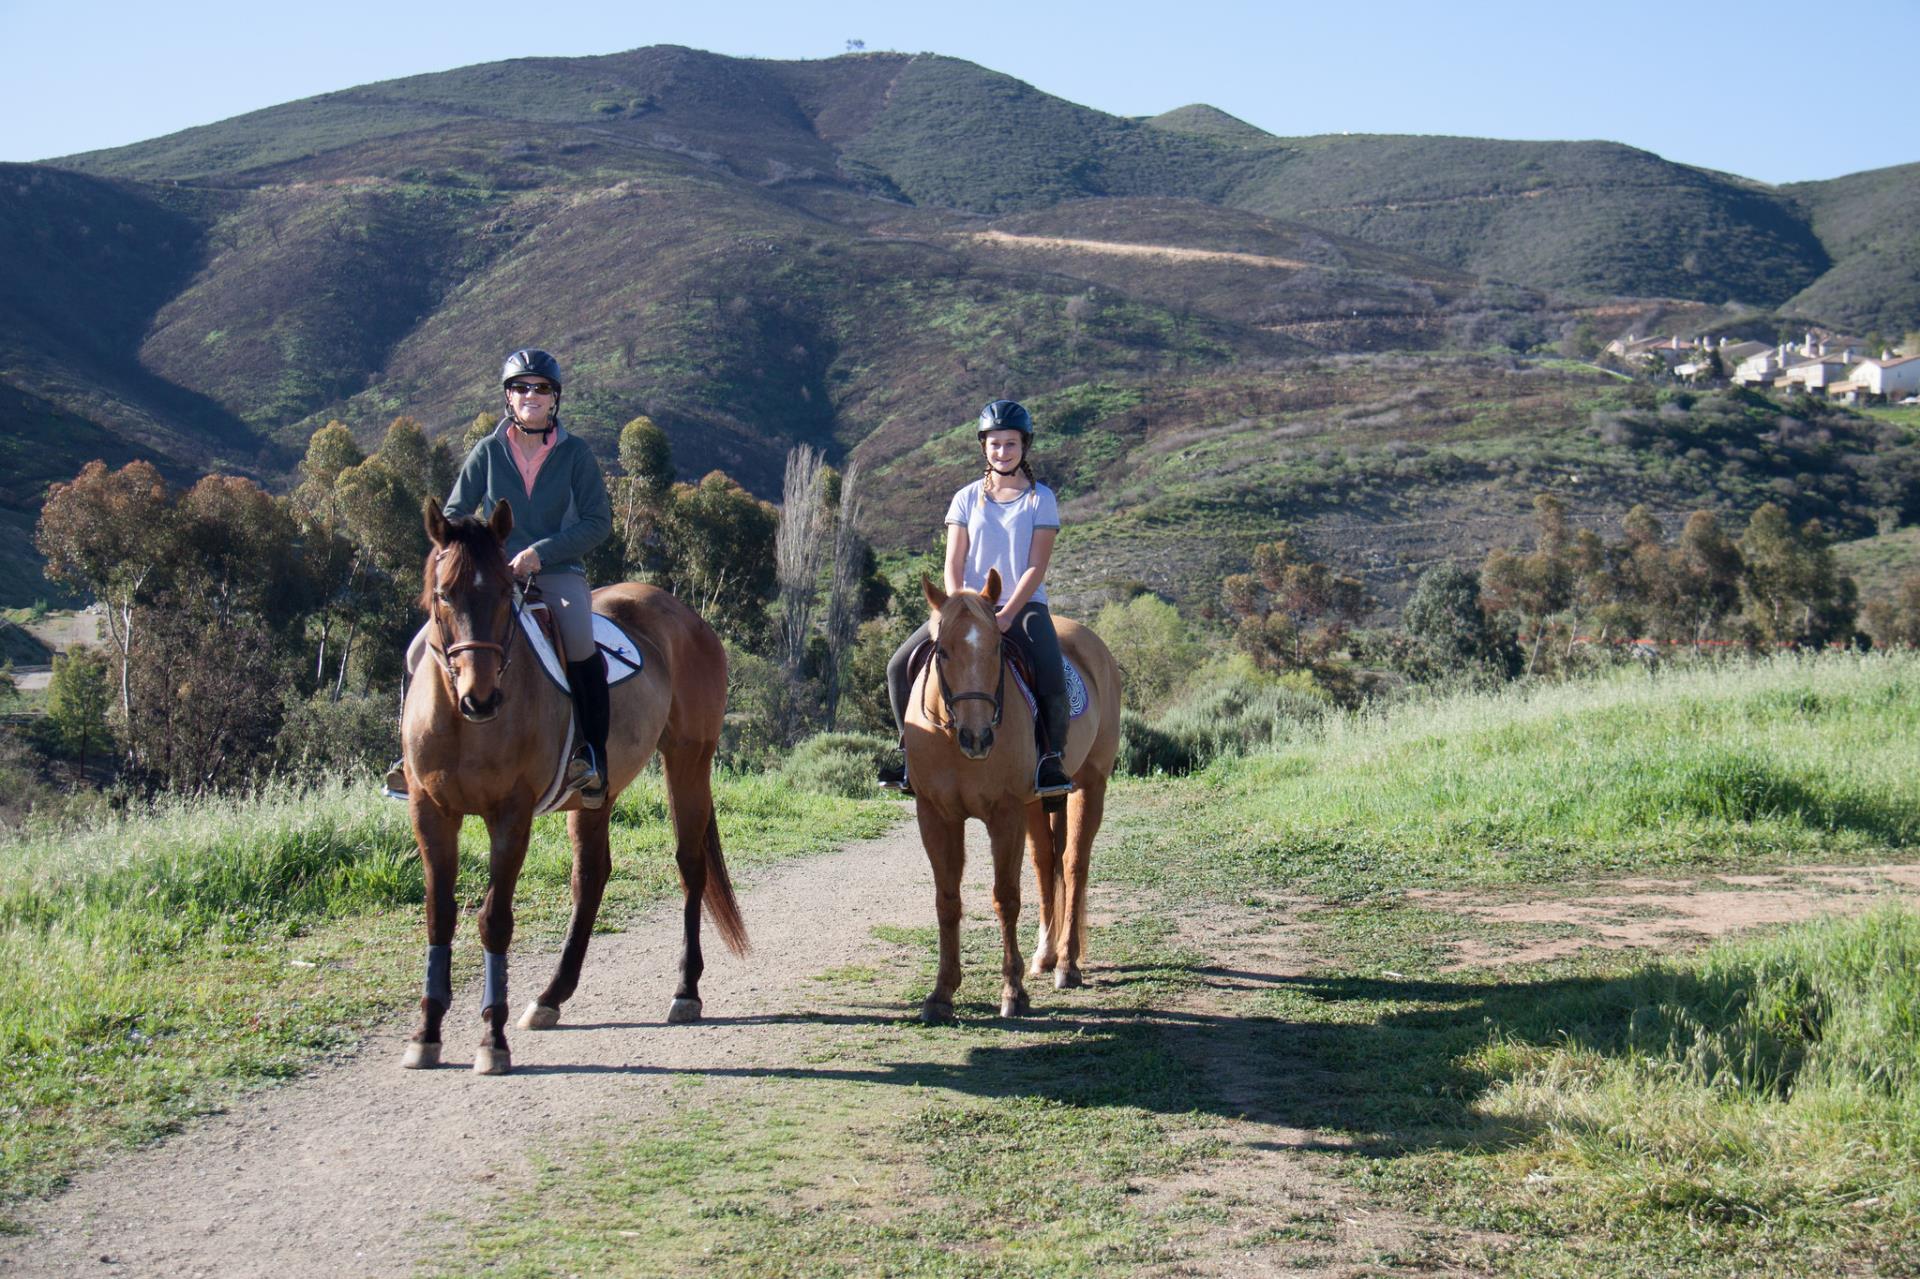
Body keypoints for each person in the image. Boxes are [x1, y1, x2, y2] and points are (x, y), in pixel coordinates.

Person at [383, 348, 615, 807]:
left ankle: (591, 758)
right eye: (521, 387)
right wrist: (483, 551)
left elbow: (597, 523)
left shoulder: (575, 454)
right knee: (416, 652)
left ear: (554, 398)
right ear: (509, 397)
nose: (531, 395)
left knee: (580, 644)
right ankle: (410, 758)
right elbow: (453, 514)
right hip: (490, 580)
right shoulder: (487, 452)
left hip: (557, 573)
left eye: (541, 388)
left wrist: (539, 553)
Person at [878, 399, 1073, 798]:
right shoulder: (965, 498)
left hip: (1022, 607)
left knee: (1051, 673)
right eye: (995, 443)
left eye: (1011, 443)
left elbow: (1036, 566)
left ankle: (1051, 760)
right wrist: (956, 609)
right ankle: (908, 753)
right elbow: (953, 562)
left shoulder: (1041, 499)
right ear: (984, 446)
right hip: (965, 608)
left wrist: (1006, 616)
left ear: (1024, 446)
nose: (1003, 451)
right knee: (898, 666)